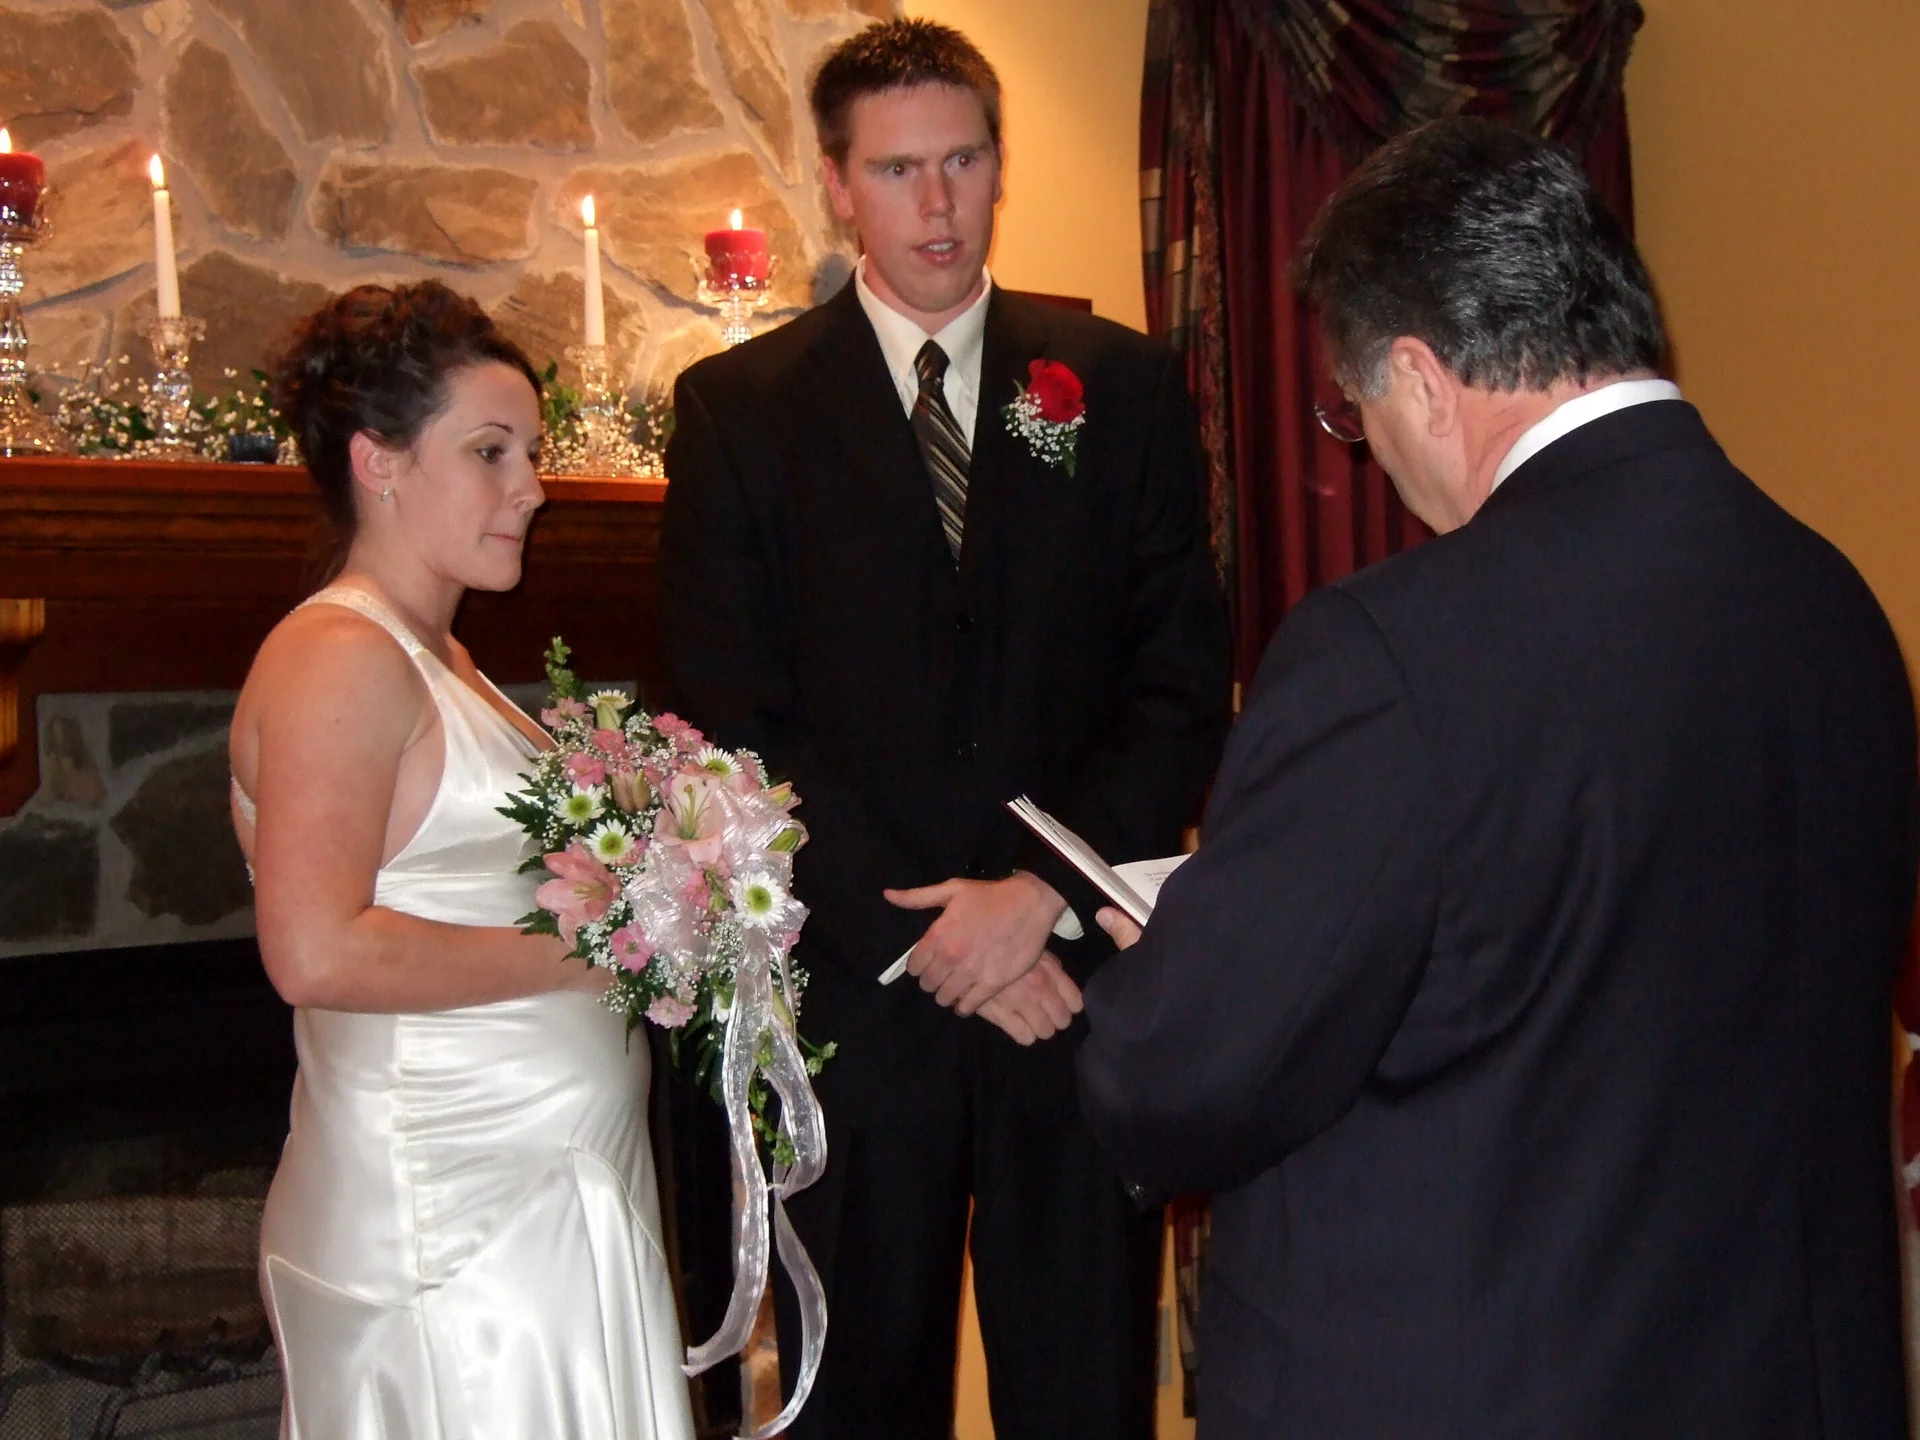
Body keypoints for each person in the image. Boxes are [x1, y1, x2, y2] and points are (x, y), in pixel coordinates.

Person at [1078, 117, 1920, 1439]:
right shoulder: (1834, 604)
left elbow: (1186, 1080)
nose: (1370, 453)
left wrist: (1169, 969)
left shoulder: (1391, 654)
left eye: (1353, 414)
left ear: (1418, 376)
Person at [660, 18, 1231, 1438]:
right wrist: (931, 937)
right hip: (863, 1015)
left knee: (1086, 1400)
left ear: (999, 166)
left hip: (1068, 1004)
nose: (937, 203)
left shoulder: (1118, 385)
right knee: (860, 1405)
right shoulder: (739, 412)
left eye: (963, 162)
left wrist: (1037, 900)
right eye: (897, 169)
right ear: (836, 184)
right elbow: (733, 720)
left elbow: (1178, 682)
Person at [229, 281, 694, 1439]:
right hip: (448, 1226)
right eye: (491, 452)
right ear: (377, 462)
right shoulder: (339, 655)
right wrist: (600, 954)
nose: (531, 487)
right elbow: (314, 949)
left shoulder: (441, 657)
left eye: (531, 453)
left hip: (535, 1200)